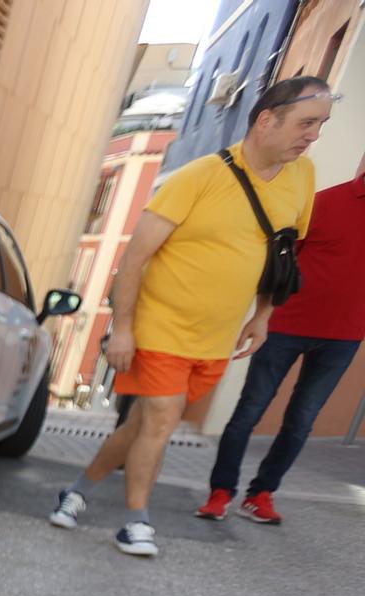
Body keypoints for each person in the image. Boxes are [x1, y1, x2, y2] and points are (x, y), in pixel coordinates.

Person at [49, 76, 328, 557]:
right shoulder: (197, 178)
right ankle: (136, 522)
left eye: (320, 125)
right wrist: (125, 328)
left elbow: (282, 251)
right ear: (267, 120)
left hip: (215, 337)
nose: (313, 135)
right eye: (306, 123)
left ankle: (76, 492)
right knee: (159, 423)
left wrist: (262, 315)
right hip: (161, 327)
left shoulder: (302, 177)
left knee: (140, 428)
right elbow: (134, 258)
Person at [199, 154, 364, 524]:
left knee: (301, 421)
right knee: (249, 411)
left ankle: (261, 495)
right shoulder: (324, 202)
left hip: (344, 338)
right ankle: (221, 491)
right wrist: (264, 314)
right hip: (286, 325)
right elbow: (285, 260)